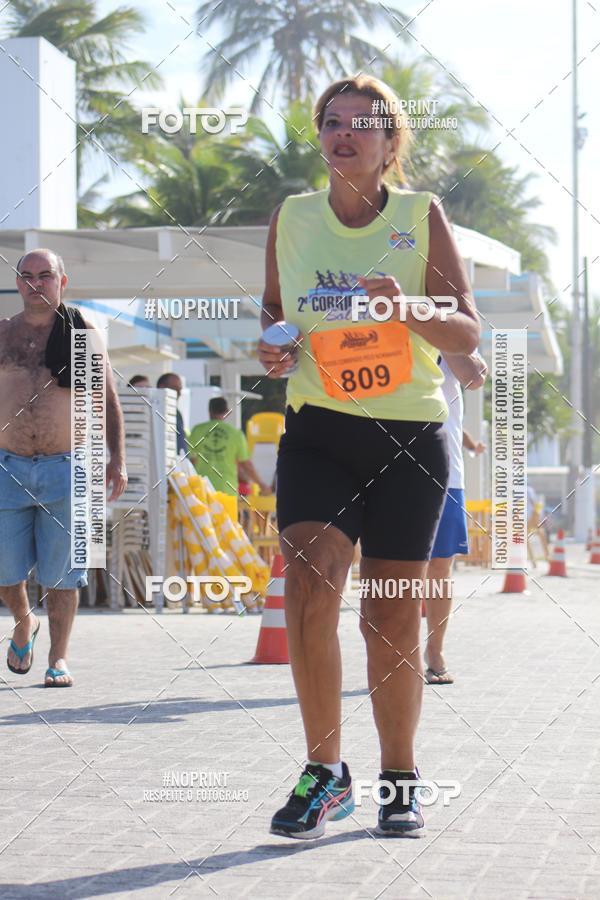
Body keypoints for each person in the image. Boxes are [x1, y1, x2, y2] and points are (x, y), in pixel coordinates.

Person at [258, 75, 480, 839]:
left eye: (363, 125)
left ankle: (398, 777)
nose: (343, 134)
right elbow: (275, 315)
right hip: (320, 427)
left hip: (408, 438)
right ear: (319, 137)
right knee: (310, 586)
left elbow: (466, 333)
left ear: (391, 146)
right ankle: (325, 773)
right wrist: (272, 348)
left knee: (388, 617)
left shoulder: (422, 217)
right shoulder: (291, 217)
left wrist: (406, 307)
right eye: (331, 122)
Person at [1, 249, 127, 687]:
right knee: (4, 570)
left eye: (46, 275)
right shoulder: (3, 335)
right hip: (8, 469)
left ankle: (58, 658)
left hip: (68, 468)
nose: (37, 283)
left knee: (64, 574)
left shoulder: (82, 333)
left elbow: (107, 398)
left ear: (62, 281)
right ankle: (23, 621)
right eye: (28, 276)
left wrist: (117, 460)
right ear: (17, 282)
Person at [423, 353, 488, 685]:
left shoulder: (451, 341)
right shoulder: (395, 330)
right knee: (399, 567)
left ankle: (434, 652)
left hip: (449, 477)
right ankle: (397, 652)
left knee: (440, 566)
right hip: (399, 471)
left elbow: (476, 377)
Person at [188, 397, 270, 496]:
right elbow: (247, 465)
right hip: (227, 489)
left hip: (202, 489)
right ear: (227, 412)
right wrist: (261, 484)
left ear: (209, 411)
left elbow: (190, 461)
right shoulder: (236, 434)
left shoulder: (197, 430)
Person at [156, 372, 187, 456]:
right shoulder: (154, 411)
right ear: (162, 388)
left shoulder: (177, 413)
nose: (179, 393)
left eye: (180, 390)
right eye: (175, 389)